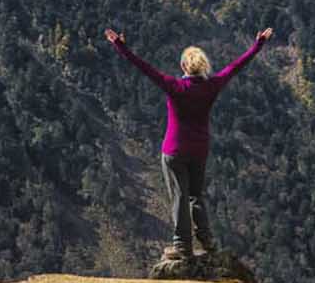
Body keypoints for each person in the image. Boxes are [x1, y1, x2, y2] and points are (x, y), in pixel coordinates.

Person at [105, 25, 274, 260]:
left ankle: (183, 246)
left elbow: (145, 68)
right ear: (203, 66)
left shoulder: (175, 86)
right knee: (196, 195)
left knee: (179, 197)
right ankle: (207, 241)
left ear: (184, 66)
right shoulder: (212, 85)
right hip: (199, 150)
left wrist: (120, 46)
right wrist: (258, 45)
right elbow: (236, 66)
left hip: (174, 150)